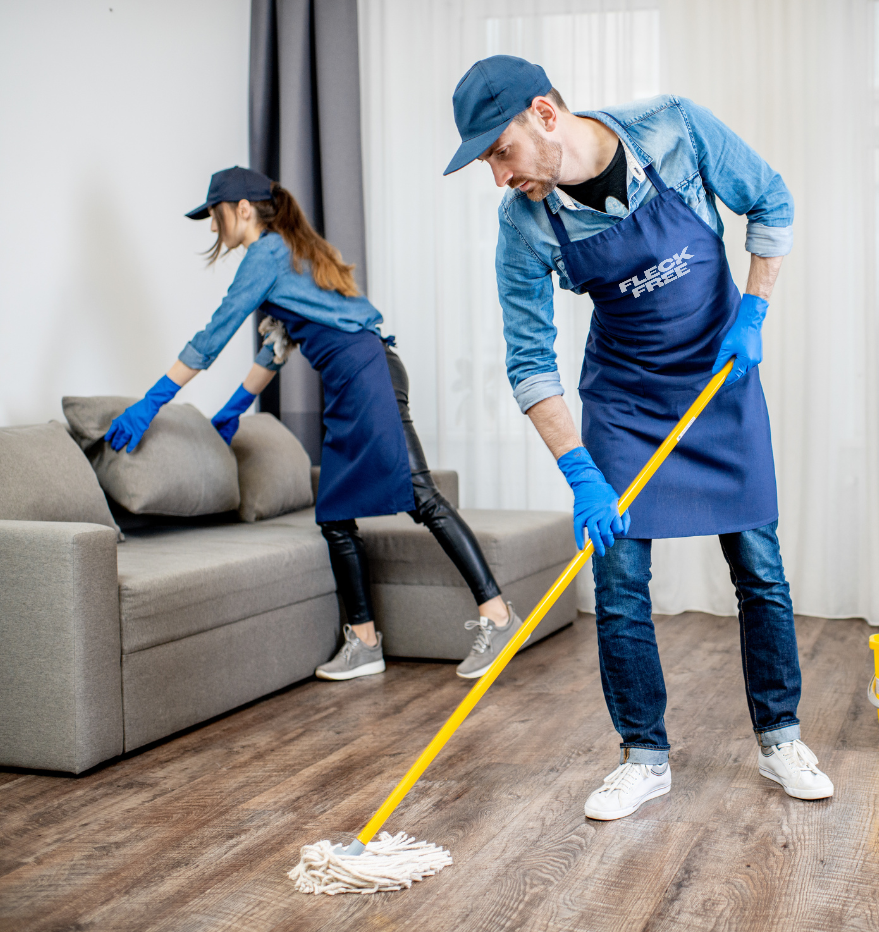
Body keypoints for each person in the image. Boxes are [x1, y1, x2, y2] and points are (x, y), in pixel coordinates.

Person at [444, 56, 833, 819]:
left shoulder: (674, 129)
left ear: (543, 115)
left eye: (499, 152)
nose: (497, 177)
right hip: (624, 400)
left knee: (758, 564)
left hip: (719, 381)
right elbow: (529, 360)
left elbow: (770, 199)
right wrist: (581, 472)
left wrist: (752, 313)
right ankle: (643, 755)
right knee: (619, 580)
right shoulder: (525, 223)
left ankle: (779, 737)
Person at [105, 166, 526, 681]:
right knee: (334, 514)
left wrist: (151, 403)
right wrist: (233, 410)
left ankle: (498, 615)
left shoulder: (268, 252)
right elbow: (276, 348)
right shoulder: (291, 253)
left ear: (241, 209)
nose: (214, 229)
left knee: (420, 495)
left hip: (364, 375)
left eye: (214, 217)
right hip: (358, 377)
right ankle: (365, 641)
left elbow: (213, 336)